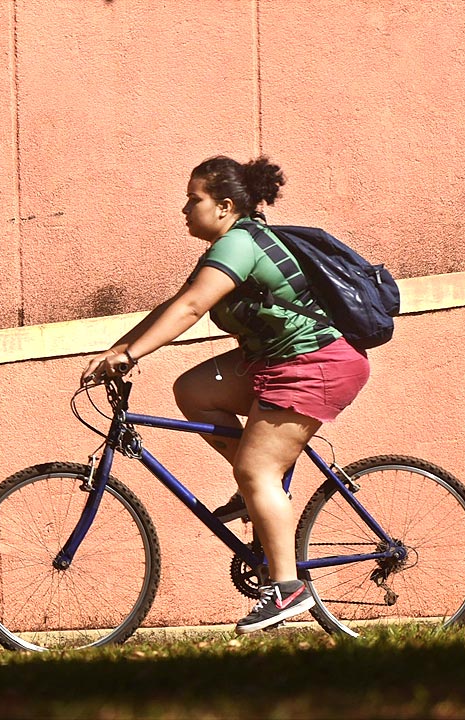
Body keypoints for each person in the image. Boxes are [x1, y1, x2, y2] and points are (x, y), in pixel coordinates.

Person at [81, 155, 371, 634]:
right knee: (192, 390)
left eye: (194, 199)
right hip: (275, 362)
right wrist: (120, 347)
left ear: (225, 206)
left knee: (258, 468)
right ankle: (255, 492)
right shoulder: (232, 245)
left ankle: (288, 587)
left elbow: (193, 307)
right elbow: (175, 303)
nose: (184, 208)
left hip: (313, 364)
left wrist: (131, 358)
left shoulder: (239, 243)